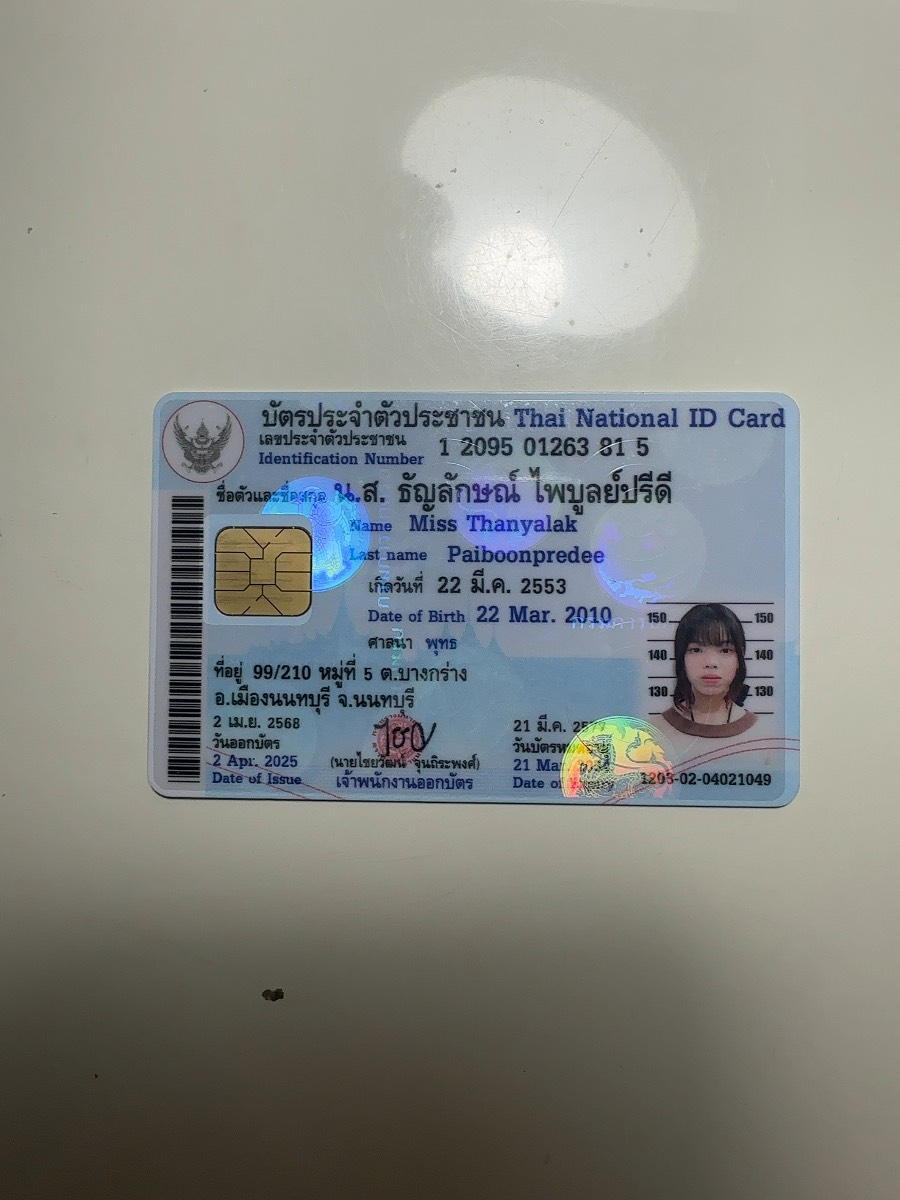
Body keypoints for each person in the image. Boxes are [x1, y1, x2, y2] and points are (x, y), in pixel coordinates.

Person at [661, 603, 757, 739]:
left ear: (739, 661)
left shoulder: (762, 733)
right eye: (696, 650)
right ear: (681, 658)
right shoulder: (652, 733)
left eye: (725, 650)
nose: (711, 663)